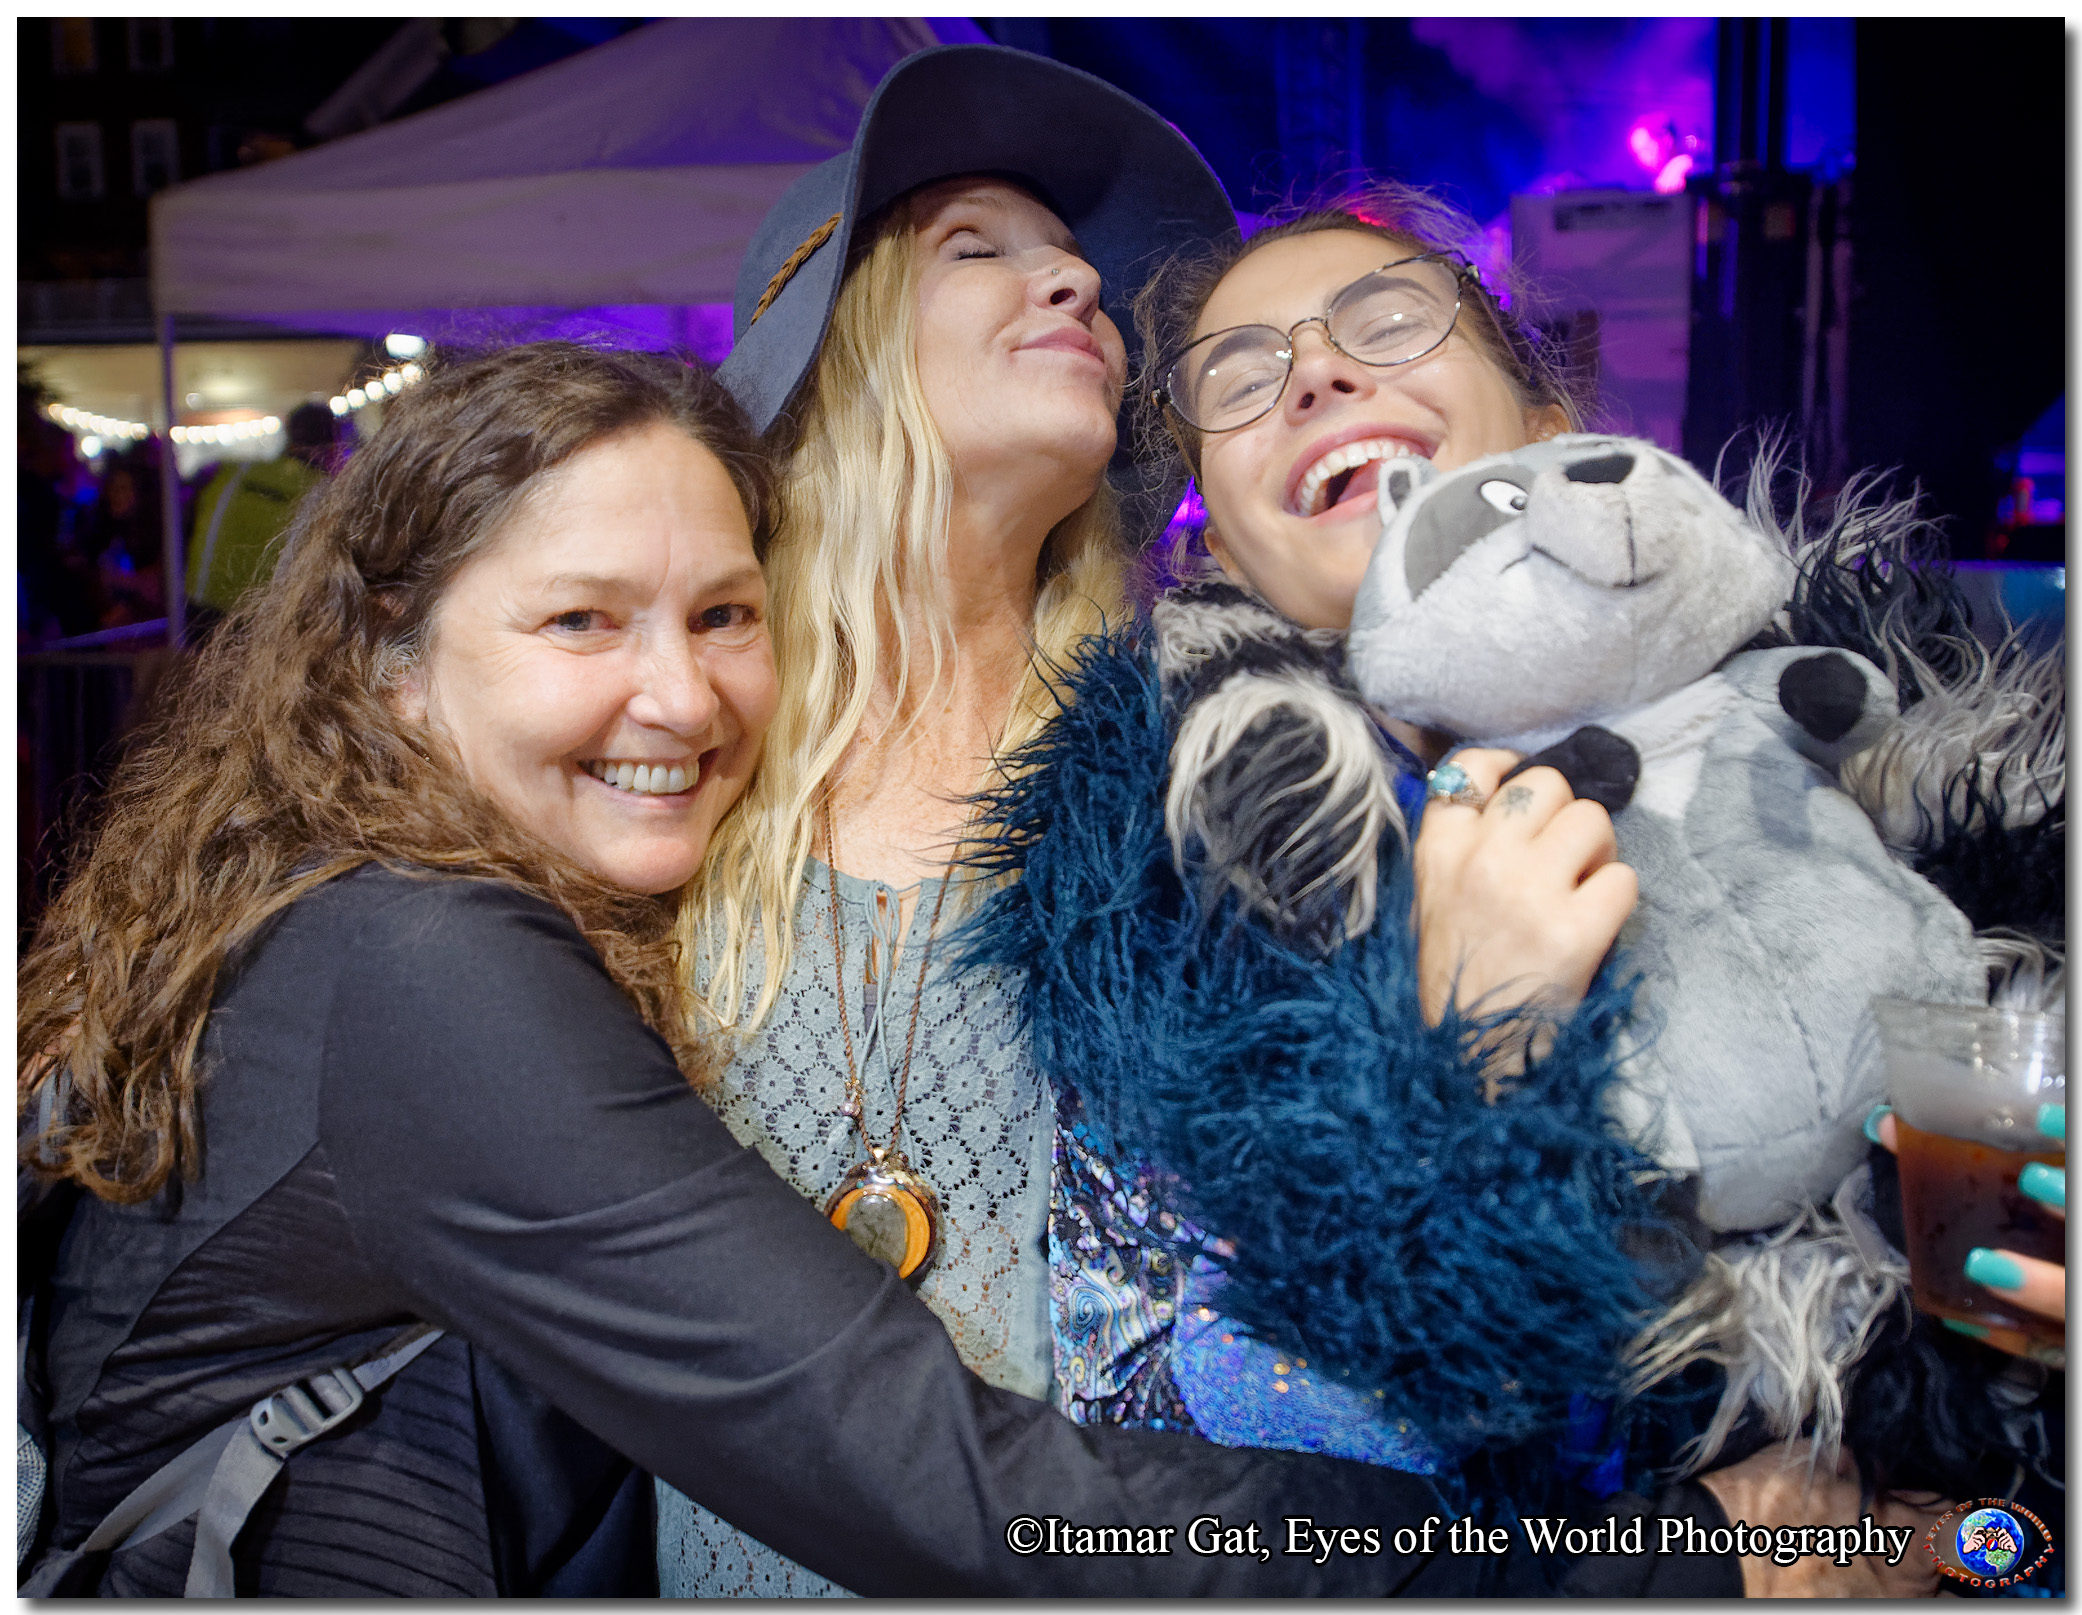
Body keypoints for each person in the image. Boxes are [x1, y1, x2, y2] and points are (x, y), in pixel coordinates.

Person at [15, 338, 1810, 1599]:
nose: (680, 694)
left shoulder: (358, 904)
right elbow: (946, 1482)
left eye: (725, 614)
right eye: (580, 620)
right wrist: (1655, 1568)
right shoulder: (420, 962)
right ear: (391, 669)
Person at [954, 180, 1954, 1595]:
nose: (1315, 373)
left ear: (1548, 425)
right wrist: (1475, 1041)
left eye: (1385, 319)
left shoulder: (1848, 732)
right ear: (1218, 539)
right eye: (1239, 376)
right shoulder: (1177, 880)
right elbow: (1237, 1436)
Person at [661, 44, 1239, 1594]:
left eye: (1080, 269)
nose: (1078, 281)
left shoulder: (1202, 767)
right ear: (830, 348)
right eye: (976, 247)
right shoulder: (673, 769)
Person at [184, 401, 337, 635]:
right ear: (332, 444)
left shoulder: (236, 471)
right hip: (265, 615)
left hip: (202, 605)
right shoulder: (323, 492)